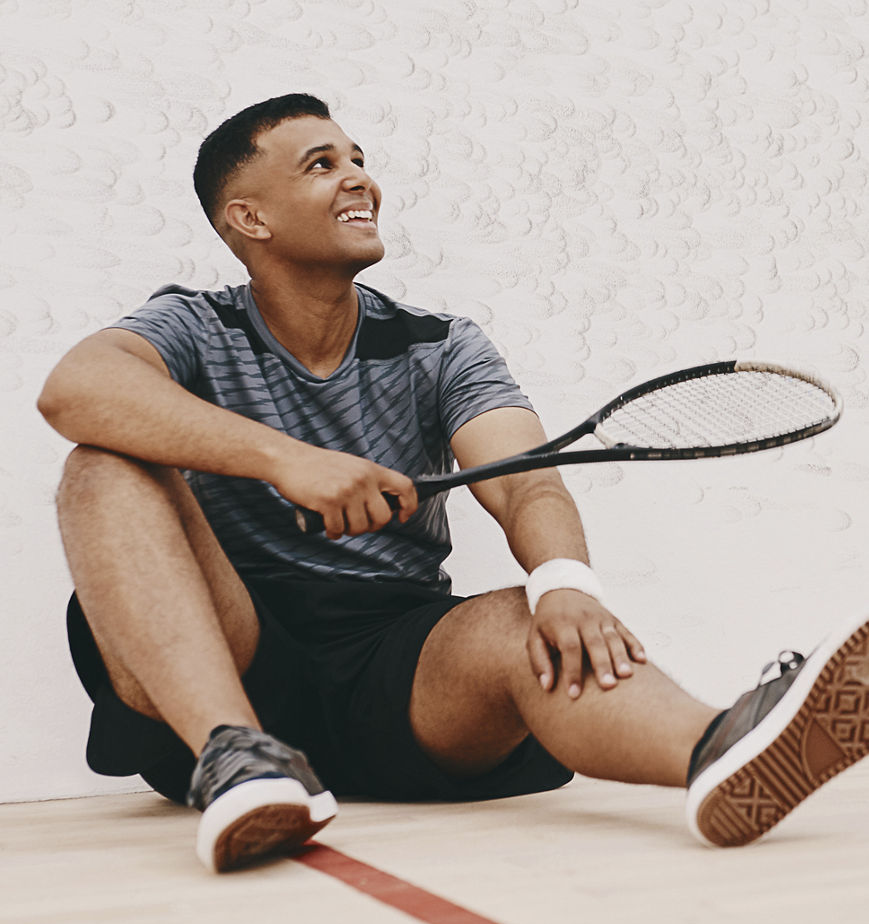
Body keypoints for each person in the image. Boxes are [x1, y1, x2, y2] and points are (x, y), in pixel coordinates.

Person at [38, 93, 869, 873]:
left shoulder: (442, 345)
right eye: (320, 165)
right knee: (101, 462)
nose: (360, 177)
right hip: (220, 648)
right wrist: (285, 459)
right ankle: (241, 757)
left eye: (357, 158)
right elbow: (76, 389)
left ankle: (719, 748)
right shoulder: (192, 324)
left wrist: (564, 583)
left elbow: (524, 482)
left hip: (393, 666)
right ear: (248, 217)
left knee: (526, 618)